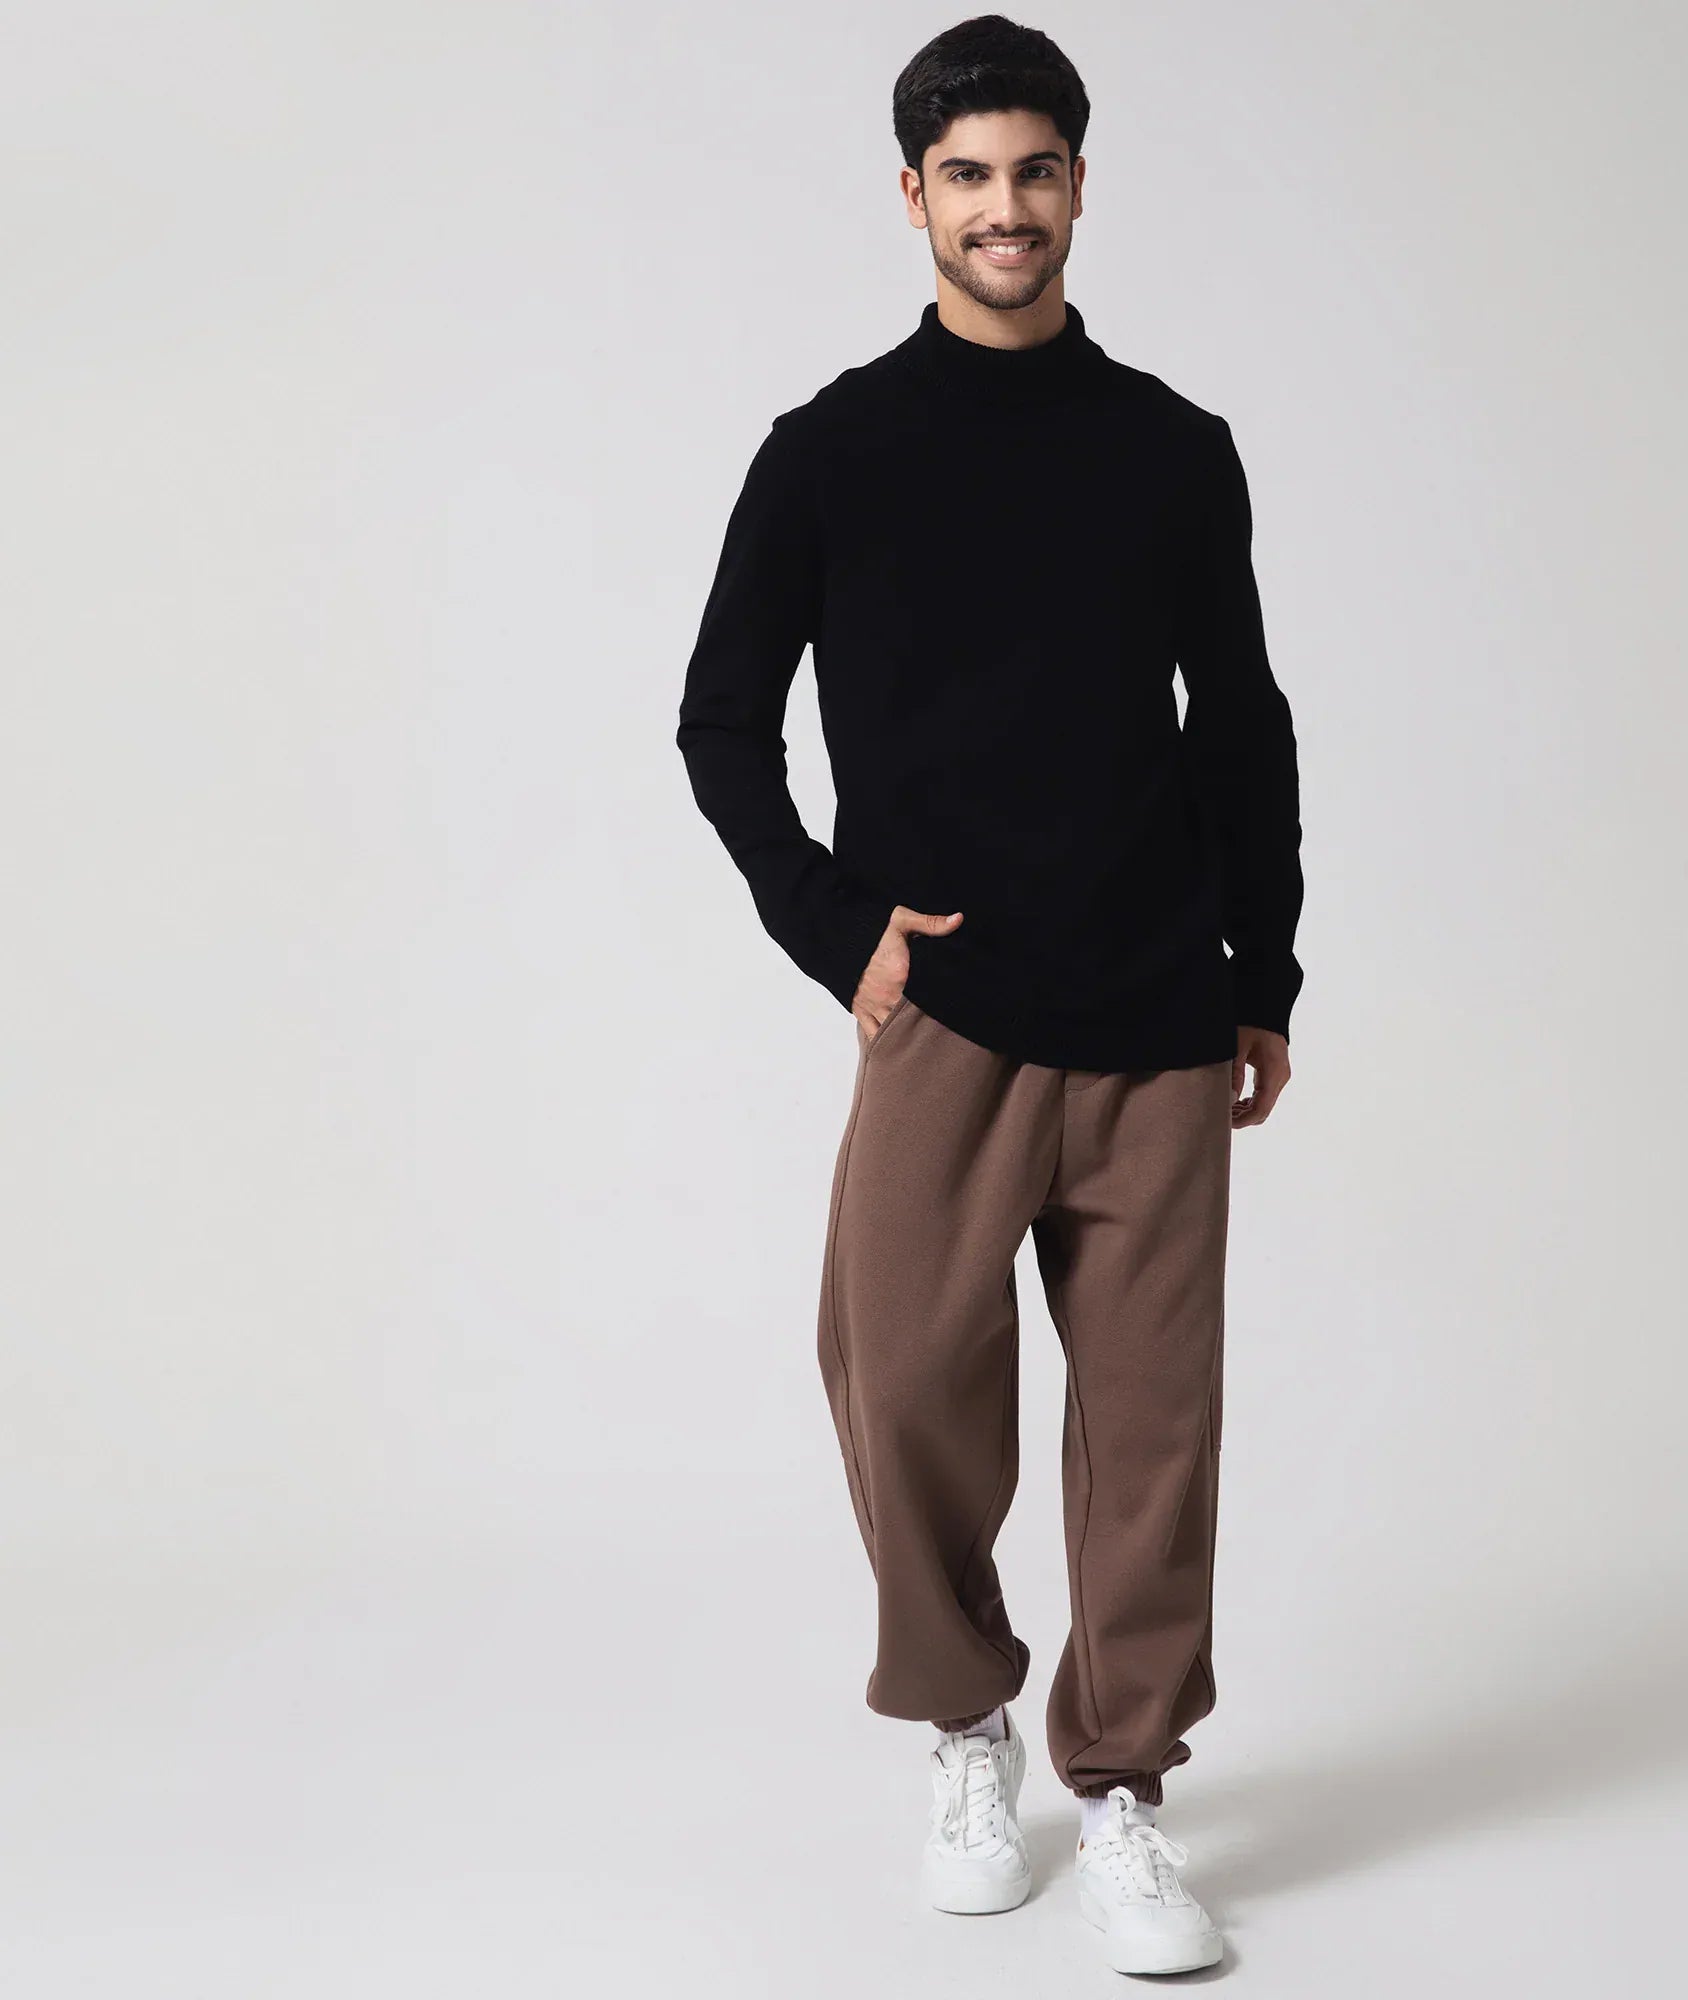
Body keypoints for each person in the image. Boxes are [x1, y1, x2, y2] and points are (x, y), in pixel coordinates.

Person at [677, 14, 1302, 1977]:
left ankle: (1122, 1792)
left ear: (1081, 188)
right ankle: (968, 1727)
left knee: (1154, 1431)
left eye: (1035, 171)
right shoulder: (830, 453)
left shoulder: (1172, 452)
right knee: (903, 1388)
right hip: (945, 1014)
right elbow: (718, 723)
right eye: (968, 175)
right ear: (913, 197)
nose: (1004, 206)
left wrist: (1264, 969)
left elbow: (1242, 726)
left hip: (1158, 1012)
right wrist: (833, 927)